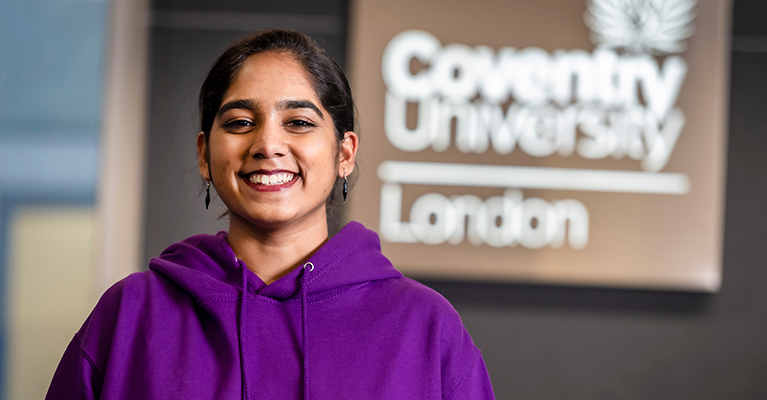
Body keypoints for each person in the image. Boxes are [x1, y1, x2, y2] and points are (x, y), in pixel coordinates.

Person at [46, 29, 495, 400]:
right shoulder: (131, 315)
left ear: (344, 152)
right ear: (205, 154)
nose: (267, 145)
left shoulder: (424, 328)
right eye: (240, 122)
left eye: (298, 122)